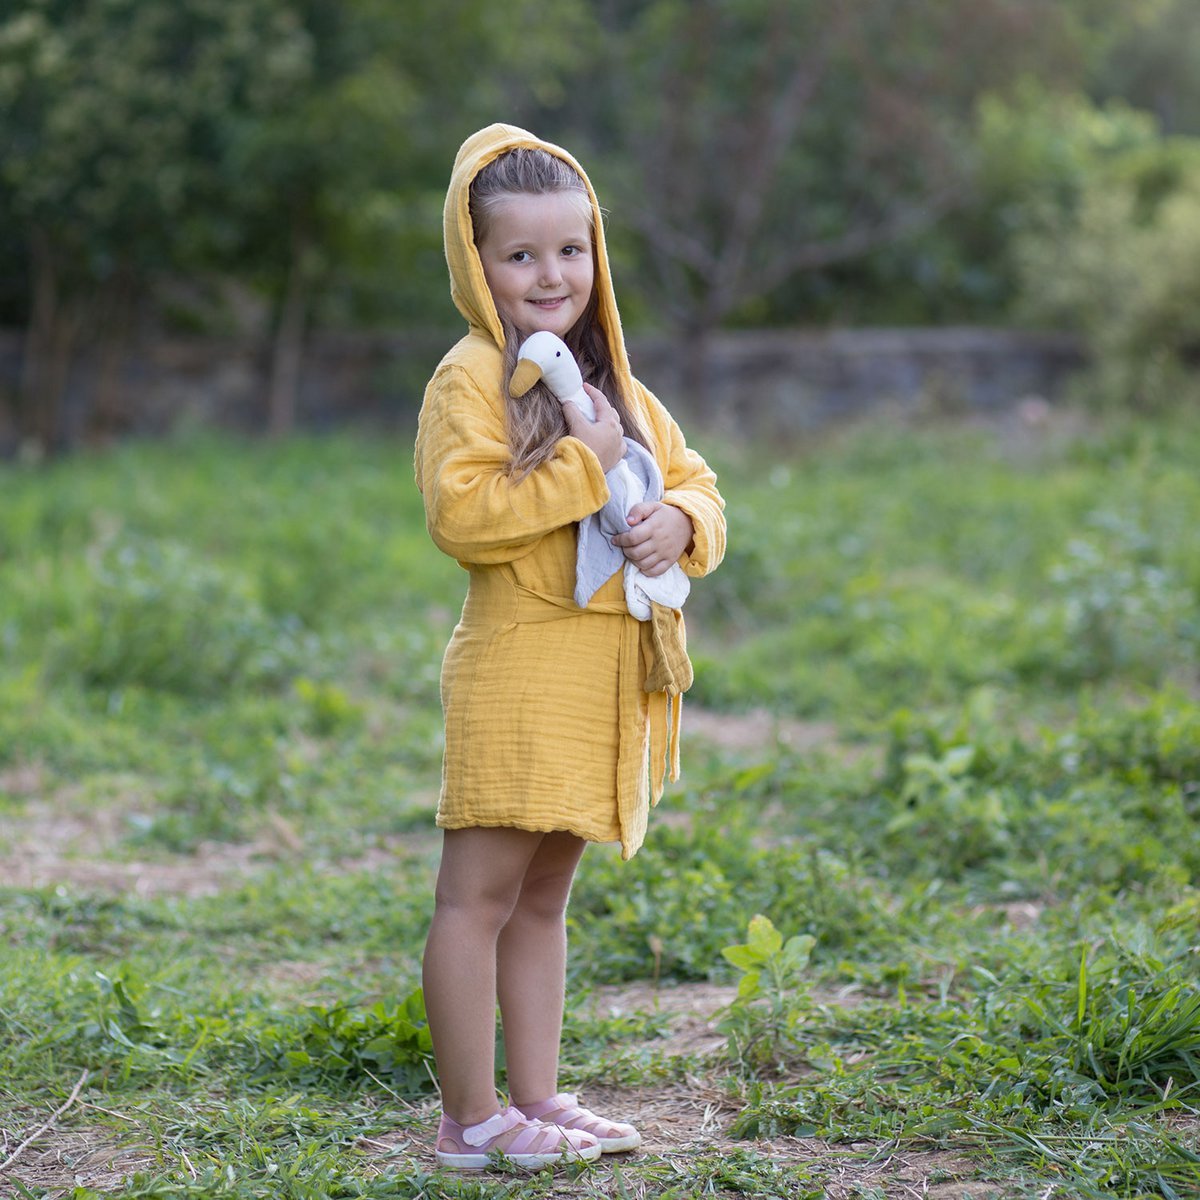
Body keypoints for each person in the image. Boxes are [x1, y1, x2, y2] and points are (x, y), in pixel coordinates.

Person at [413, 123, 726, 1171]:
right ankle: (470, 1119)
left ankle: (535, 1097)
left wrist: (681, 523)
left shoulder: (615, 381)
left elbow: (696, 480)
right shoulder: (472, 381)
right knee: (478, 899)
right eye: (520, 255)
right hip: (518, 671)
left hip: (595, 681)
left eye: (572, 250)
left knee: (543, 900)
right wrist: (585, 470)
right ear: (477, 262)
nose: (552, 275)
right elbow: (464, 517)